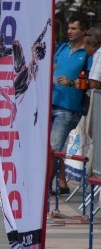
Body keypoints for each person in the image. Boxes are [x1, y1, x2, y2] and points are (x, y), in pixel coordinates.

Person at [50, 17, 89, 195]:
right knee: (51, 149)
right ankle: (62, 183)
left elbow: (90, 82)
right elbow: (53, 67)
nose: (69, 31)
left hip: (67, 108)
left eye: (74, 28)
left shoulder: (88, 54)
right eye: (68, 28)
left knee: (53, 148)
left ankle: (44, 187)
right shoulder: (63, 48)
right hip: (51, 103)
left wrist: (72, 82)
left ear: (83, 31)